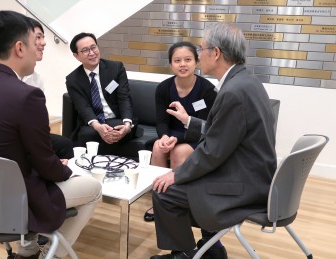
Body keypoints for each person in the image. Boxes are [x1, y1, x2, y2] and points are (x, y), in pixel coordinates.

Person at [0, 11, 101, 259]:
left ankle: (29, 250)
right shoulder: (26, 95)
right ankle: (52, 255)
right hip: (14, 199)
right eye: (36, 43)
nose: (39, 50)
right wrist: (66, 170)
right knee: (93, 188)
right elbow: (45, 162)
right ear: (20, 48)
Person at [150, 22, 277, 259]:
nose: (198, 55)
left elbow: (212, 152)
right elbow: (222, 133)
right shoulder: (245, 81)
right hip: (252, 174)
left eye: (200, 49)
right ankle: (212, 246)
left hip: (244, 184)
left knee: (164, 191)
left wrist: (176, 174)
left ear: (215, 53)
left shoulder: (232, 91)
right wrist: (190, 121)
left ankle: (185, 254)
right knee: (180, 184)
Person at [0, 17, 74, 160]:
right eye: (37, 38)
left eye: (43, 37)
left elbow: (37, 122)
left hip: (24, 136)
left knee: (64, 144)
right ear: (20, 45)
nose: (43, 43)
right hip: (1, 141)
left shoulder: (37, 79)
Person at [143, 42, 217, 223]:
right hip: (172, 134)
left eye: (187, 60)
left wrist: (175, 139)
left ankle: (177, 202)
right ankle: (159, 200)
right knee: (158, 147)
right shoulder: (163, 88)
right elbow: (161, 120)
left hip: (198, 135)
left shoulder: (207, 90)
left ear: (196, 62)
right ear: (170, 65)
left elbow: (206, 126)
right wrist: (165, 137)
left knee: (178, 151)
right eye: (177, 60)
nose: (182, 64)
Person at [65, 32, 137, 155]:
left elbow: (124, 98)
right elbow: (83, 107)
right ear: (76, 56)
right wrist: (98, 126)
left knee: (116, 130)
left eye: (93, 47)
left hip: (117, 119)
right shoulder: (73, 80)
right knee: (89, 134)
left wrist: (127, 125)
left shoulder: (116, 68)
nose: (92, 53)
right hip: (93, 122)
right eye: (85, 50)